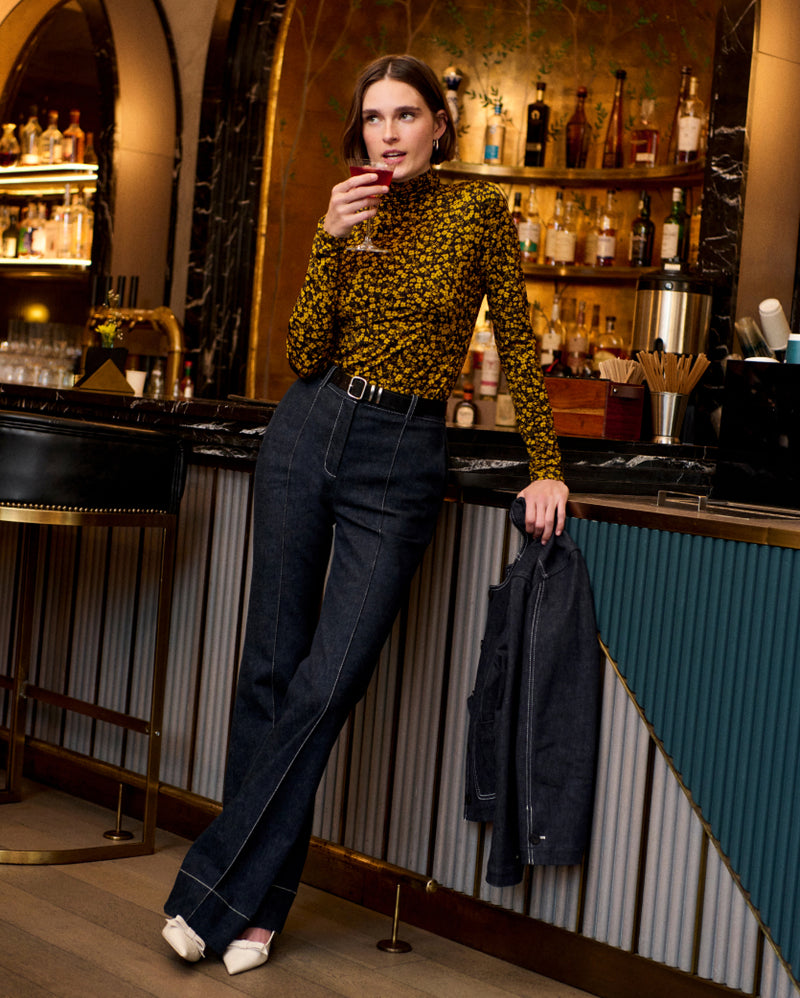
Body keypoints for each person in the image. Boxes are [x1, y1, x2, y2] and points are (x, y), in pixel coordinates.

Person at [161, 52, 569, 976]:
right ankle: (256, 912)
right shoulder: (349, 210)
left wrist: (546, 468)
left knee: (328, 679)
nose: (388, 134)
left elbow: (518, 342)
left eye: (406, 115)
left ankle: (212, 890)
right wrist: (329, 239)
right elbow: (305, 350)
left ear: (439, 124)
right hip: (309, 427)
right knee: (270, 670)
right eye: (374, 118)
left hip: (400, 454)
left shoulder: (476, 212)